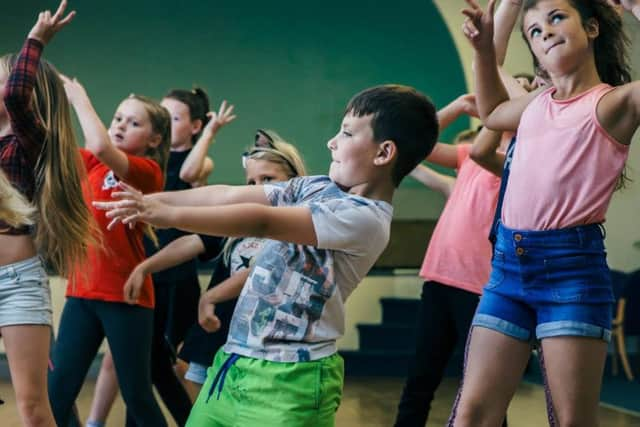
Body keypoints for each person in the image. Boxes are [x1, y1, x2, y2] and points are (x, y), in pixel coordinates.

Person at [94, 84, 439, 426]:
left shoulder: (365, 218)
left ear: (383, 153)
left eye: (347, 133)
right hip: (235, 361)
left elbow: (262, 221)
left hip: (292, 381)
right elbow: (230, 196)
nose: (332, 141)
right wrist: (153, 201)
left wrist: (165, 215)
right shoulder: (315, 186)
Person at [449, 1, 640, 426]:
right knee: (473, 415)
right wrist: (483, 48)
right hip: (507, 271)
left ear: (591, 27)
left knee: (571, 421)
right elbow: (493, 110)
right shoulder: (534, 105)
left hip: (571, 272)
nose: (545, 32)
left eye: (556, 17)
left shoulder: (611, 104)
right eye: (534, 30)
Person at [86, 88, 235, 427]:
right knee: (132, 361)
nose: (168, 122)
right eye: (163, 115)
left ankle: (189, 420)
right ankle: (99, 421)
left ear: (195, 126)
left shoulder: (195, 160)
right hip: (144, 266)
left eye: (176, 118)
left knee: (165, 364)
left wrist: (210, 133)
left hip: (173, 272)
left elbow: (189, 174)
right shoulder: (142, 161)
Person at [123, 131, 307, 397]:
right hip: (220, 330)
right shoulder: (237, 221)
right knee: (195, 383)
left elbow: (261, 270)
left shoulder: (299, 228)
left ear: (293, 181)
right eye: (251, 182)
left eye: (268, 179)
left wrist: (211, 296)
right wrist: (145, 267)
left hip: (263, 340)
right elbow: (191, 242)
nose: (259, 188)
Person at [47, 75, 171, 427]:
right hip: (82, 293)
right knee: (57, 391)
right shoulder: (90, 164)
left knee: (137, 395)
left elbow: (102, 146)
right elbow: (51, 145)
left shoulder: (147, 172)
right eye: (118, 118)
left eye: (134, 123)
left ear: (154, 139)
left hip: (124, 297)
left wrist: (79, 97)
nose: (120, 126)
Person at [0, 2, 95, 425]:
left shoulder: (29, 144)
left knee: (35, 409)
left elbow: (16, 95)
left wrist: (35, 40)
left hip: (16, 283)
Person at [394, 95, 504, 426]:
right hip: (439, 281)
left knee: (484, 387)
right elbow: (415, 142)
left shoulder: (520, 161)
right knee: (420, 377)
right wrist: (457, 106)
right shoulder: (468, 157)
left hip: (481, 290)